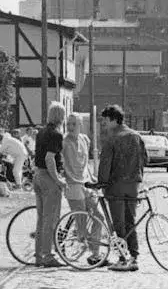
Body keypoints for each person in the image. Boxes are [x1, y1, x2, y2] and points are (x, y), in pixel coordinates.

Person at [98, 104, 148, 272]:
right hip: (133, 184)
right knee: (130, 221)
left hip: (116, 185)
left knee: (118, 223)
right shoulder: (136, 136)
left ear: (113, 119)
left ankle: (122, 258)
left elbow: (105, 164)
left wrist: (101, 183)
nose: (102, 123)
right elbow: (145, 160)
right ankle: (134, 257)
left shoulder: (112, 138)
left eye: (104, 120)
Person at [63, 113, 104, 265]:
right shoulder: (64, 142)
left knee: (99, 217)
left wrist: (91, 176)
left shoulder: (84, 139)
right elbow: (64, 164)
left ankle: (95, 254)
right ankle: (69, 240)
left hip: (86, 183)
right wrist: (70, 178)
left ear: (80, 125)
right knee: (81, 225)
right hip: (73, 185)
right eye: (69, 124)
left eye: (74, 124)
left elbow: (85, 161)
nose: (71, 127)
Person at [33, 103, 68, 268]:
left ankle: (38, 255)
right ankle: (48, 256)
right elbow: (49, 158)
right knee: (50, 220)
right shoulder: (56, 135)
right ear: (61, 116)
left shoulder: (41, 132)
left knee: (41, 219)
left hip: (37, 175)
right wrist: (58, 179)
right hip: (48, 178)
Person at [0, 129, 26, 197]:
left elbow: (1, 152)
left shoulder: (5, 141)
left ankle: (19, 186)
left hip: (20, 155)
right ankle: (18, 184)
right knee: (16, 170)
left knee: (16, 171)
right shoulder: (8, 139)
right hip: (19, 154)